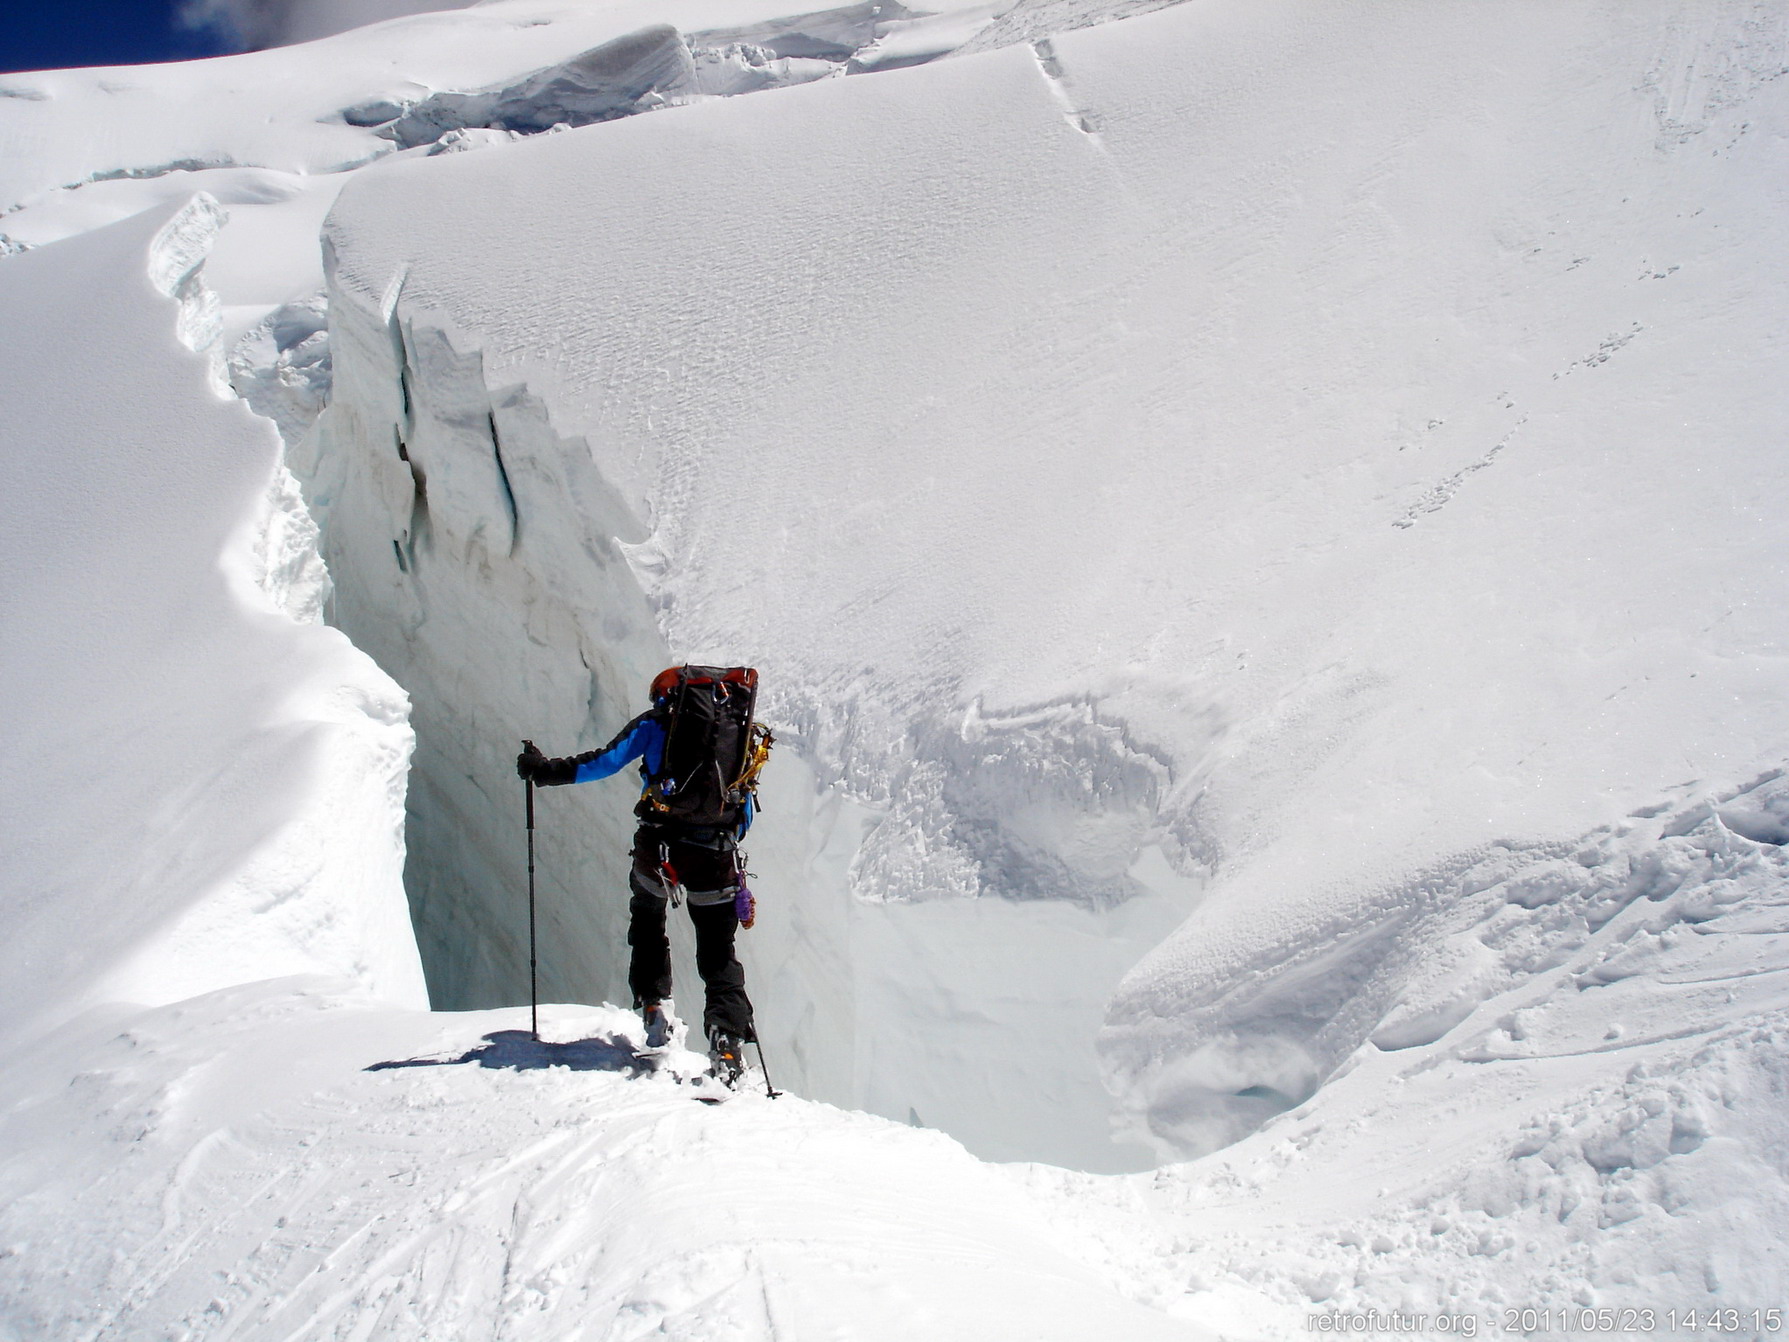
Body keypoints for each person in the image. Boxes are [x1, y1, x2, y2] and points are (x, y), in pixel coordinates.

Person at [516, 667, 758, 1083]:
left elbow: (603, 762)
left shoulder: (657, 723)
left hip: (659, 849)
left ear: (666, 695)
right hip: (716, 855)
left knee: (648, 922)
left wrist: (544, 770)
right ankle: (728, 1046)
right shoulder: (740, 732)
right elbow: (745, 809)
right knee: (718, 952)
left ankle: (654, 1006)